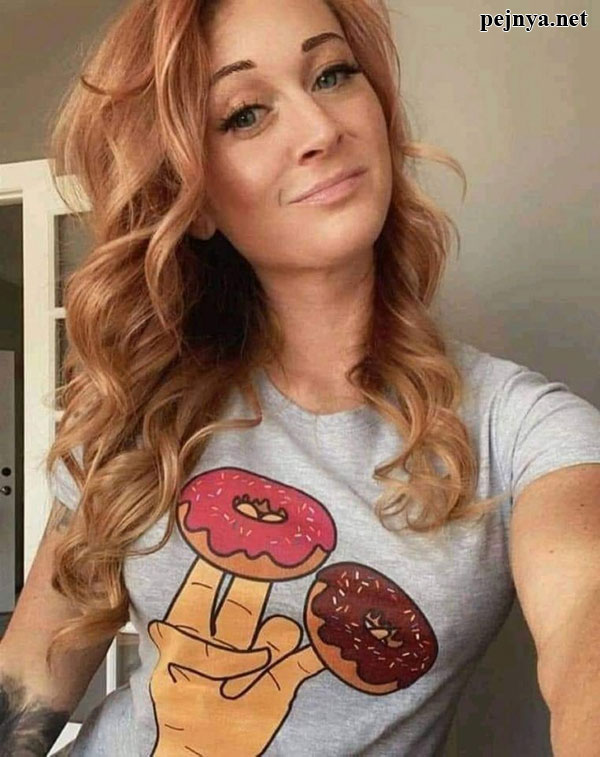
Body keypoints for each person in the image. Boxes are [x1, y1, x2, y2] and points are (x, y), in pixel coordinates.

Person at [1, 0, 599, 755]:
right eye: (245, 114)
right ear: (197, 197)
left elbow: (586, 613)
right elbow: (32, 670)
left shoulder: (523, 429)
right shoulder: (139, 409)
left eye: (333, 74)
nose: (320, 129)